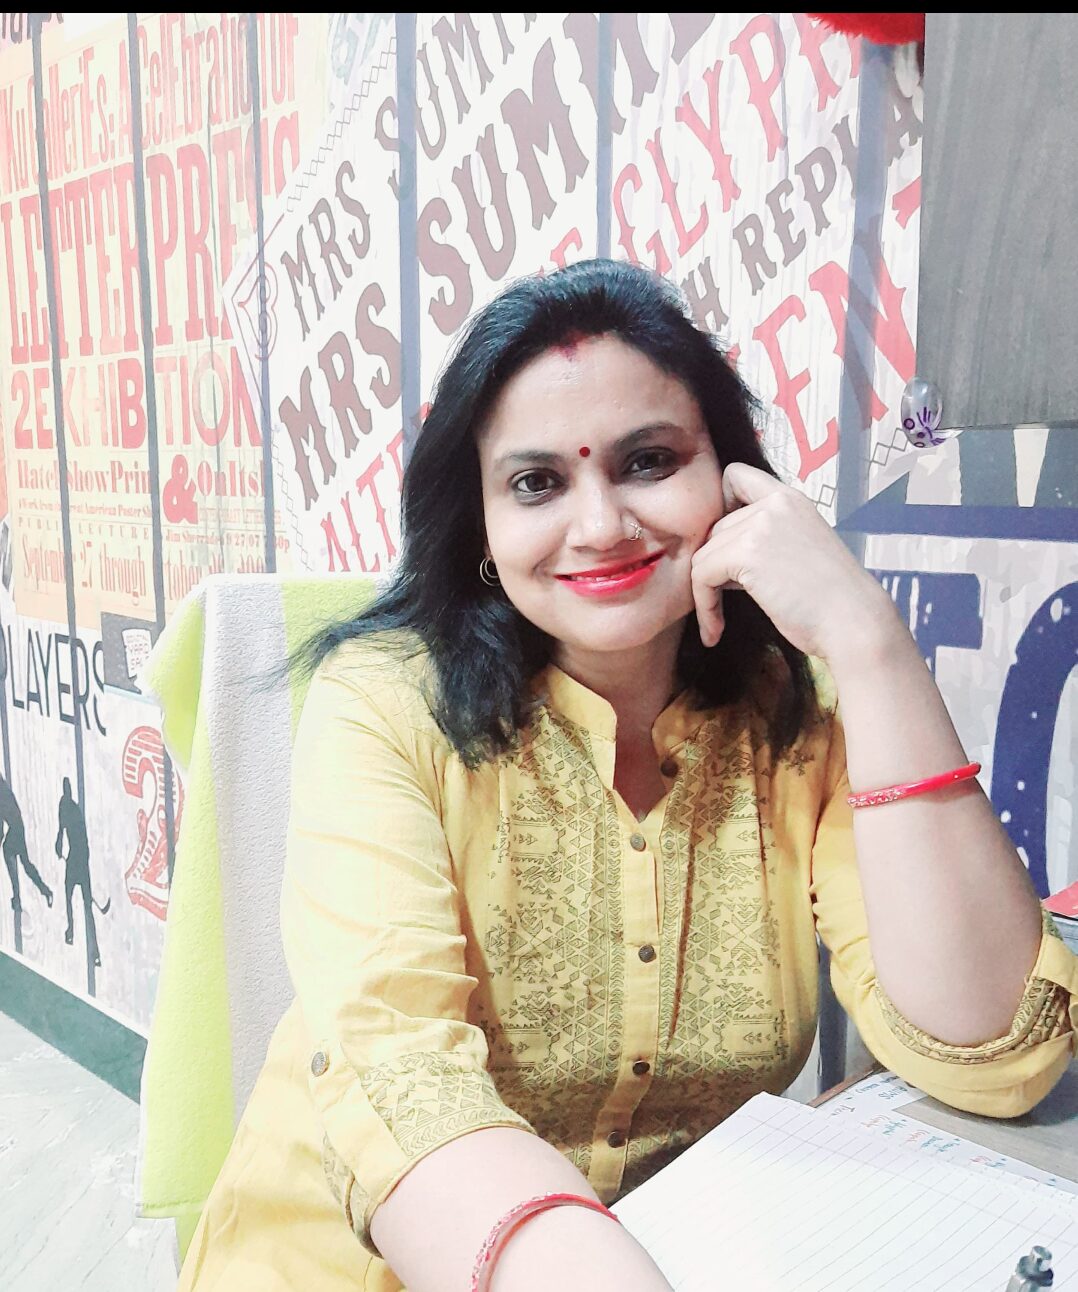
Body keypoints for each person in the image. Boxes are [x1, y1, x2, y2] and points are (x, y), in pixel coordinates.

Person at [178, 260, 1077, 1292]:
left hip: (679, 1248)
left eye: (648, 461)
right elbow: (405, 1077)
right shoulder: (385, 704)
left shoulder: (794, 716)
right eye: (536, 483)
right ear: (481, 523)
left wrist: (869, 640)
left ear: (731, 482)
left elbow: (993, 1050)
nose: (601, 524)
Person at [0, 772, 52, 914]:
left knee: (9, 853)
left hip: (15, 830)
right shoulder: (5, 789)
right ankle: (45, 890)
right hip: (18, 827)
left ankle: (18, 897)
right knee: (26, 864)